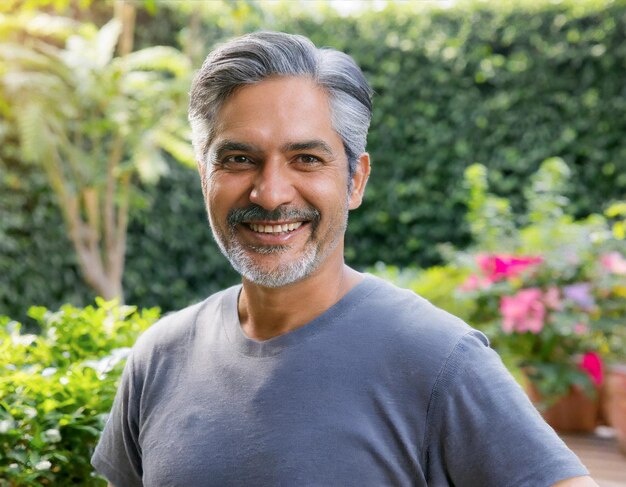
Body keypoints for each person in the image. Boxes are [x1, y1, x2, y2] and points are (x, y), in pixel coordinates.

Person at [92, 32, 598, 487]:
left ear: (355, 179)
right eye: (239, 159)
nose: (270, 194)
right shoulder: (159, 357)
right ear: (205, 175)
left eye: (306, 159)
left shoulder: (438, 359)